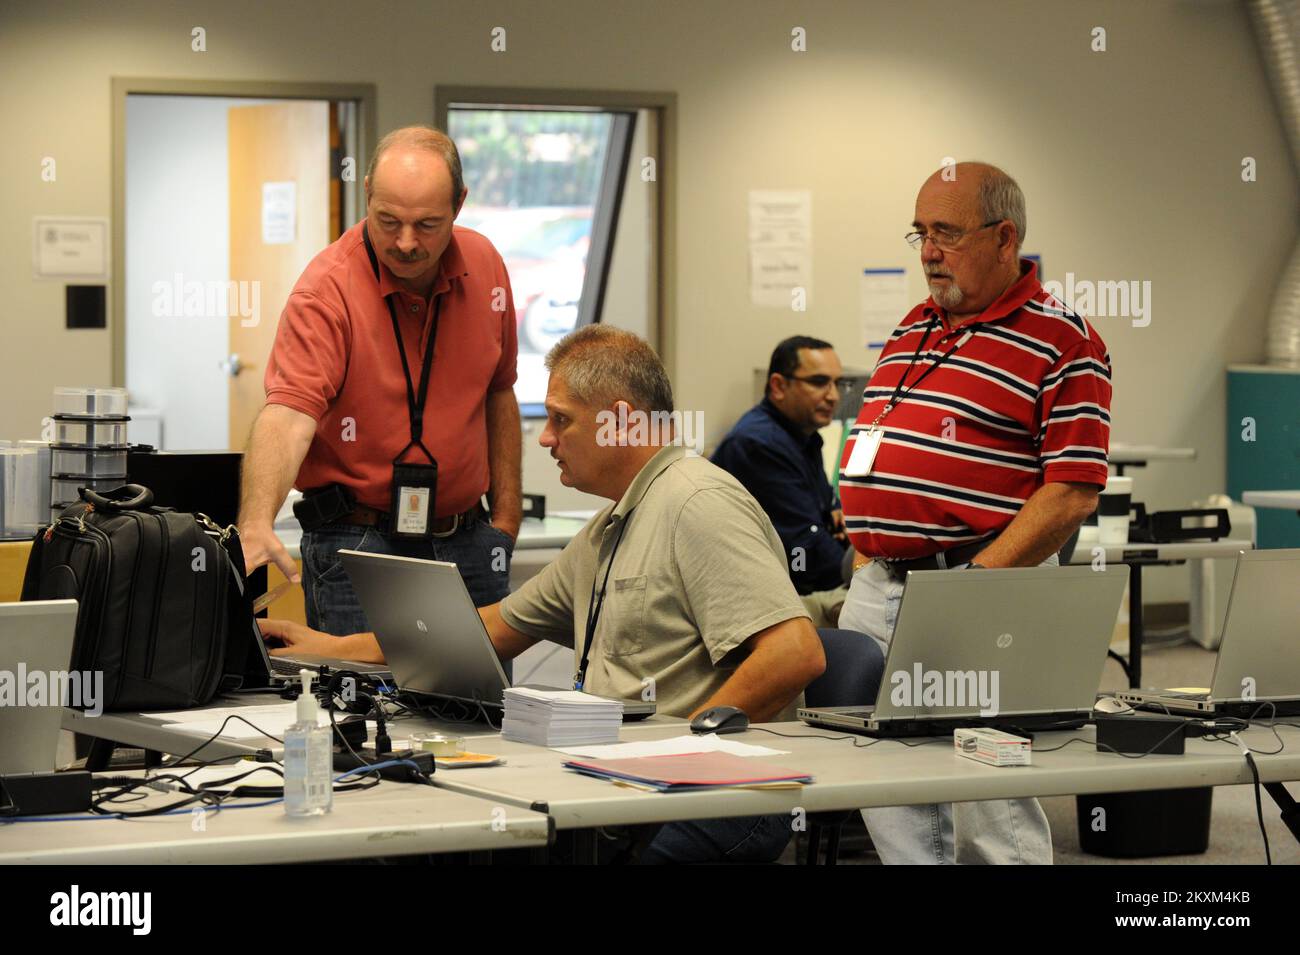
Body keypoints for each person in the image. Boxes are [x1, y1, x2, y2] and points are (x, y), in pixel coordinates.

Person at [263, 324, 825, 864]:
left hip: (710, 793)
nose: (547, 438)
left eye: (561, 420)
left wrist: (677, 757)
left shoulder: (697, 503)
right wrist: (322, 648)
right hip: (626, 781)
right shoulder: (611, 526)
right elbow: (487, 630)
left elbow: (795, 652)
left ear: (619, 423)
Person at [839, 162, 1112, 864]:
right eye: (921, 233)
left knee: (991, 801)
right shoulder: (915, 324)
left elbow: (1074, 486)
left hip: (982, 588)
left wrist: (972, 582)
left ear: (1004, 237)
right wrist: (874, 547)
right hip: (882, 587)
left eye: (947, 233)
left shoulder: (1064, 339)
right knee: (890, 781)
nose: (929, 251)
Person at [237, 126, 522, 636]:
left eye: (427, 225)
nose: (405, 243)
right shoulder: (327, 290)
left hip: (470, 541)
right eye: (387, 221)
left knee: (480, 713)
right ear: (366, 192)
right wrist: (258, 520)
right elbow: (289, 414)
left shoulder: (485, 266)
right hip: (357, 543)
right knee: (366, 712)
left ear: (459, 205)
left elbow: (499, 391)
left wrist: (505, 520)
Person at [712, 336, 853, 627]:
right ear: (778, 386)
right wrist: (861, 567)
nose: (833, 396)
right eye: (818, 382)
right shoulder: (759, 444)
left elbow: (829, 518)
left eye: (837, 383)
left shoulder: (803, 437)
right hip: (762, 605)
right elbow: (808, 552)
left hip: (788, 591)